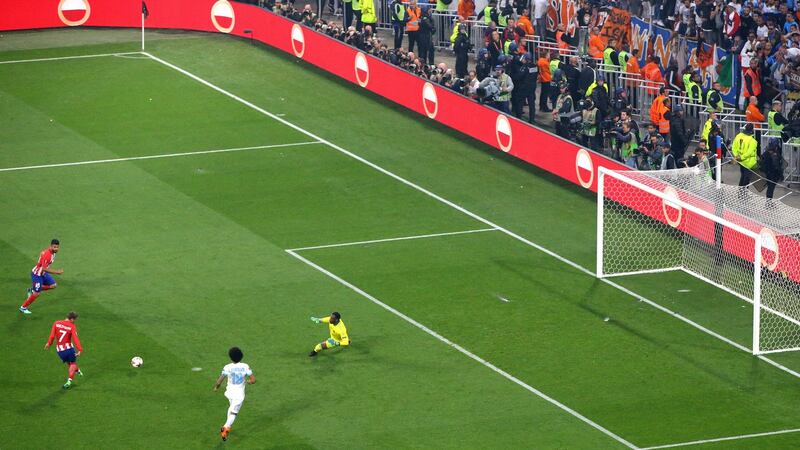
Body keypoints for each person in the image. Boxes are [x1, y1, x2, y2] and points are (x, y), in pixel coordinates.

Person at [214, 347, 256, 441]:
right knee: (234, 412)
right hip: (239, 395)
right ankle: (225, 428)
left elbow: (219, 380)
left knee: (231, 408)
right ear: (241, 356)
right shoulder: (245, 366)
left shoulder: (227, 367)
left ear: (230, 357)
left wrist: (216, 387)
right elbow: (253, 380)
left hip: (229, 392)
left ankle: (227, 426)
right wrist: (248, 382)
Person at [20, 239, 63, 314]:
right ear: (50, 246)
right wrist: (57, 272)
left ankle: (33, 289)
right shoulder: (48, 254)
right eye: (54, 247)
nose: (56, 249)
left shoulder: (52, 252)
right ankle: (23, 307)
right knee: (36, 294)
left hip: (43, 273)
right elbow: (44, 268)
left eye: (57, 247)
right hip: (37, 274)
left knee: (53, 285)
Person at [44, 311, 83, 389]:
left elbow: (52, 336)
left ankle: (78, 371)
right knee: (73, 363)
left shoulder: (56, 323)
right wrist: (80, 350)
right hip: (69, 349)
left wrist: (49, 343)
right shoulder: (72, 326)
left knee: (69, 362)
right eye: (75, 319)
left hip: (60, 351)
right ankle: (69, 381)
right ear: (71, 319)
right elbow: (75, 339)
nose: (75, 321)